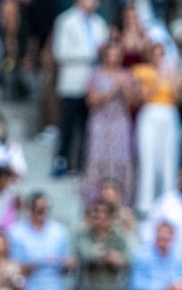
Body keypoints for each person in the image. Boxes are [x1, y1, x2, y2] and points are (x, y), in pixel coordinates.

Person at [52, 0, 109, 177]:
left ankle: (82, 166)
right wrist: (91, 51)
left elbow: (105, 51)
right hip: (72, 82)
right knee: (67, 126)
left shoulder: (99, 23)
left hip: (93, 85)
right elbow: (60, 52)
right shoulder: (65, 20)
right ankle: (61, 161)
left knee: (87, 128)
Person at [81, 40, 138, 205]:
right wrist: (111, 91)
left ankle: (122, 202)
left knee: (121, 159)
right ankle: (95, 201)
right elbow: (90, 101)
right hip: (100, 122)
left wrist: (125, 88)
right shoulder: (95, 74)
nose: (113, 58)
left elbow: (134, 102)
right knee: (98, 159)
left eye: (117, 55)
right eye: (110, 54)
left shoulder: (127, 75)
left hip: (120, 123)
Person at [132, 39, 182, 215]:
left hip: (169, 114)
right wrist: (159, 77)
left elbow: (179, 98)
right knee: (148, 159)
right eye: (155, 54)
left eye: (161, 54)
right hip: (150, 113)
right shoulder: (141, 71)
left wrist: (173, 79)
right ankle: (145, 203)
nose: (159, 57)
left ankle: (168, 201)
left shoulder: (173, 72)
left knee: (169, 159)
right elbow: (142, 97)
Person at [8, 193, 74, 290]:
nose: (43, 213)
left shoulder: (59, 231)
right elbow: (12, 265)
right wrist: (33, 265)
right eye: (39, 209)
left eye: (46, 209)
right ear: (30, 209)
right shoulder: (16, 232)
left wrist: (64, 263)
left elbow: (67, 265)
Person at [72, 197, 129, 290]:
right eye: (95, 211)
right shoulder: (83, 235)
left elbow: (127, 260)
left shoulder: (119, 237)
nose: (97, 215)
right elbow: (87, 255)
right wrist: (110, 255)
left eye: (102, 212)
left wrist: (103, 255)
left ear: (111, 216)